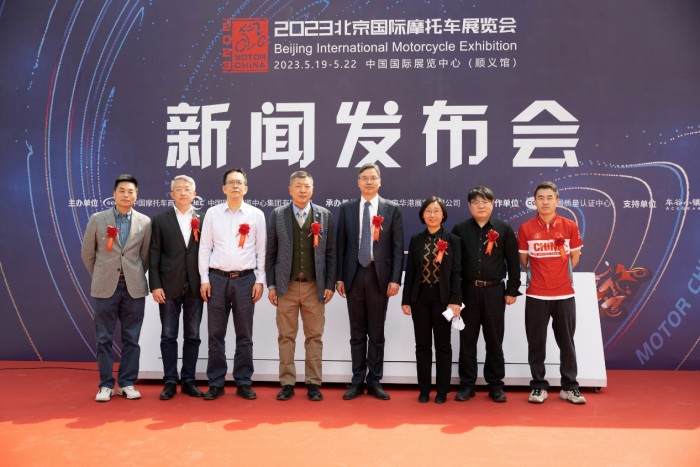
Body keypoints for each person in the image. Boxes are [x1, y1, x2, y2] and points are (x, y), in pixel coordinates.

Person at [266, 171, 336, 401]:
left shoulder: (324, 215)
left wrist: (329, 284)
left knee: (314, 337)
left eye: (306, 186)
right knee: (286, 336)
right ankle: (287, 383)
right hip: (285, 286)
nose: (302, 190)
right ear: (290, 189)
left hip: (314, 286)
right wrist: (271, 285)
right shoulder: (278, 215)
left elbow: (331, 253)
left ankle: (313, 383)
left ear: (312, 189)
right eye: (298, 186)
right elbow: (271, 252)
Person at [336, 163, 404, 401]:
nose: (368, 182)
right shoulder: (347, 209)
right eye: (364, 178)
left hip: (379, 277)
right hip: (354, 275)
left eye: (373, 178)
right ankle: (357, 380)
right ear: (358, 182)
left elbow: (397, 248)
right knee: (357, 332)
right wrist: (339, 277)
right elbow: (341, 245)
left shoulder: (391, 209)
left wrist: (395, 279)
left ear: (379, 181)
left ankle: (374, 380)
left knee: (376, 332)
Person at [81, 174, 151, 402]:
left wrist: (133, 275)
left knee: (132, 338)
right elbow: (88, 254)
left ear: (136, 195)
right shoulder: (98, 219)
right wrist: (102, 275)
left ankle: (127, 383)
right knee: (104, 338)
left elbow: (145, 256)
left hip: (134, 288)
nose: (126, 195)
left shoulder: (144, 222)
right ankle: (105, 385)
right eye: (122, 191)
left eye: (131, 191)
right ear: (114, 194)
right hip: (105, 288)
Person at [198, 168, 266, 401]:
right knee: (215, 334)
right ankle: (216, 383)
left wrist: (260, 280)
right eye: (231, 182)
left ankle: (243, 381)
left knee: (244, 334)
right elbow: (204, 248)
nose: (235, 186)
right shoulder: (213, 213)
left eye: (239, 182)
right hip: (217, 280)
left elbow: (262, 250)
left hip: (246, 280)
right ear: (223, 188)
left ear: (246, 188)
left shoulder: (256, 215)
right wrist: (204, 279)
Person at [517, 181, 585, 404]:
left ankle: (570, 387)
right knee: (536, 343)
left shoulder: (570, 226)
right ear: (534, 202)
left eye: (549, 198)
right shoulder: (526, 228)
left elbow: (574, 258)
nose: (545, 202)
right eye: (540, 198)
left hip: (564, 294)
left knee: (567, 342)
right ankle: (538, 386)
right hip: (536, 295)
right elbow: (524, 260)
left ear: (557, 201)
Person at [451, 186, 521, 403]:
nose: (480, 206)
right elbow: (454, 266)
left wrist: (512, 290)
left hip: (495, 292)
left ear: (493, 204)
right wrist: (455, 296)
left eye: (485, 201)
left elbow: (513, 261)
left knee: (494, 340)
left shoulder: (504, 228)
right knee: (467, 340)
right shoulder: (460, 229)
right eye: (476, 202)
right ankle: (467, 385)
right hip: (468, 292)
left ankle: (496, 385)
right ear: (469, 206)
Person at [149, 175, 204, 400]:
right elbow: (153, 254)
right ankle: (170, 381)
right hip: (168, 286)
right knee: (168, 335)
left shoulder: (203, 219)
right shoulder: (160, 220)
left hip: (196, 286)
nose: (183, 192)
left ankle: (189, 380)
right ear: (171, 194)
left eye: (187, 189)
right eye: (178, 189)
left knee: (193, 335)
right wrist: (155, 285)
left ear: (194, 194)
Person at [401, 196, 462, 404]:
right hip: (419, 299)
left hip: (443, 299)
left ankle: (442, 390)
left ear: (443, 214)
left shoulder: (453, 240)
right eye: (428, 211)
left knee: (443, 345)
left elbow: (457, 272)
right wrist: (406, 300)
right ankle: (424, 389)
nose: (432, 215)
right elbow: (410, 271)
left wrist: (456, 300)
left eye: (436, 211)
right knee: (422, 345)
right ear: (422, 215)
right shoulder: (416, 240)